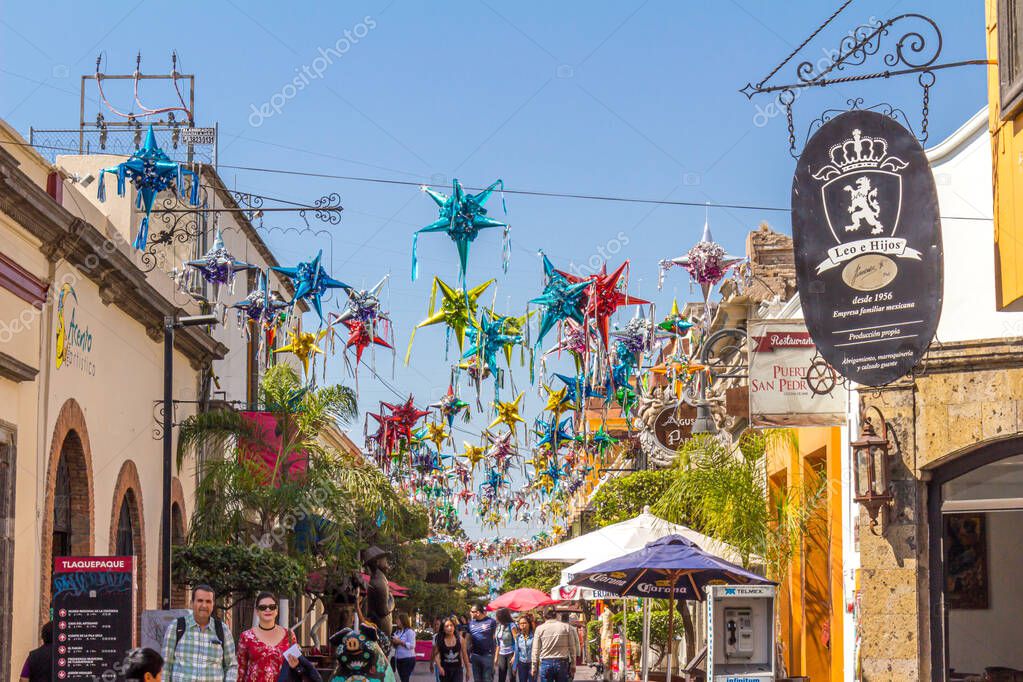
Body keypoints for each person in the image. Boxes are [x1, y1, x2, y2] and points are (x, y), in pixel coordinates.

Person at [162, 583, 238, 681]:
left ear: (213, 604)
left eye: (208, 601)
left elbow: (231, 666)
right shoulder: (176, 627)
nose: (204, 605)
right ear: (191, 603)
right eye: (200, 601)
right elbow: (166, 665)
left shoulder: (223, 630)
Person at [237, 591, 298, 682]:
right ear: (257, 611)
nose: (268, 610)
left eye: (272, 607)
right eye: (263, 607)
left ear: (276, 610)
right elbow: (240, 671)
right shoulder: (246, 637)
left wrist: (295, 665)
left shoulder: (289, 635)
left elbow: (298, 667)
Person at [531, 608, 577, 682]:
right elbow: (572, 647)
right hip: (562, 663)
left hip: (546, 662)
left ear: (544, 616)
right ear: (556, 615)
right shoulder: (566, 627)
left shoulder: (539, 629)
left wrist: (534, 666)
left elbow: (535, 650)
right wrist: (573, 664)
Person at [466, 604, 497, 682]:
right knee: (477, 680)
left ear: (478, 612)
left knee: (487, 679)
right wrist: (467, 653)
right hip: (475, 656)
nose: (470, 613)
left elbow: (495, 639)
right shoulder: (470, 623)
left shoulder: (491, 622)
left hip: (488, 656)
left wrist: (495, 656)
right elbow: (468, 639)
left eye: (472, 612)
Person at [433, 617, 469, 682]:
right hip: (444, 670)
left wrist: (468, 671)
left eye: (451, 625)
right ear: (443, 629)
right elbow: (436, 655)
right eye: (447, 626)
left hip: (457, 670)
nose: (450, 628)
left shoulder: (460, 639)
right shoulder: (439, 639)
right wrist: (439, 667)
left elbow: (465, 656)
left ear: (454, 627)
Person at [390, 613, 417, 682]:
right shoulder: (397, 632)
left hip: (408, 659)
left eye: (398, 620)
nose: (396, 621)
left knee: (405, 678)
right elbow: (396, 646)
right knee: (402, 678)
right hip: (399, 659)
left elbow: (412, 645)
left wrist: (400, 642)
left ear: (403, 621)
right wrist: (394, 642)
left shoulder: (410, 632)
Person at [493, 608, 516, 682]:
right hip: (501, 654)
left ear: (502, 616)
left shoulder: (512, 625)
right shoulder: (499, 626)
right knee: (501, 677)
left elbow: (517, 642)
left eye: (497, 616)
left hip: (511, 653)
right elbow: (498, 643)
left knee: (511, 677)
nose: (496, 618)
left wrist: (515, 656)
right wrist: (496, 657)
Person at [513, 615, 535, 682]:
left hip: (532, 664)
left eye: (525, 623)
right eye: (521, 623)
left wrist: (535, 665)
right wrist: (514, 666)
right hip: (521, 664)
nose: (523, 625)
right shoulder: (518, 637)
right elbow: (516, 652)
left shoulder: (534, 636)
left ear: (529, 624)